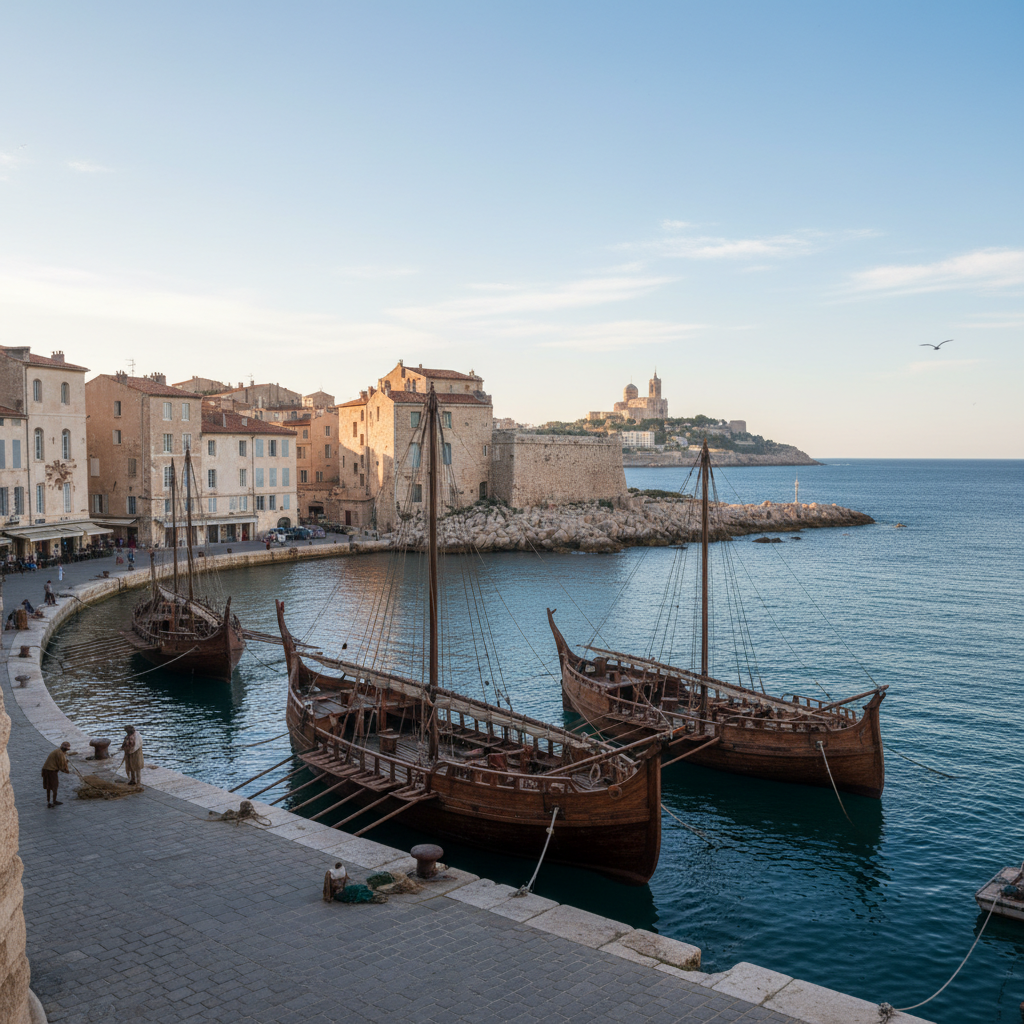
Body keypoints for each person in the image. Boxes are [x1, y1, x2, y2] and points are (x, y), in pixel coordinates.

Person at [42, 741, 71, 807]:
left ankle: (50, 801)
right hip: (50, 771)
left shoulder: (59, 751)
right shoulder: (60, 754)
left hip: (46, 770)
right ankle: (53, 801)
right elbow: (61, 766)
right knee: (54, 786)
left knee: (48, 787)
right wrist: (67, 771)